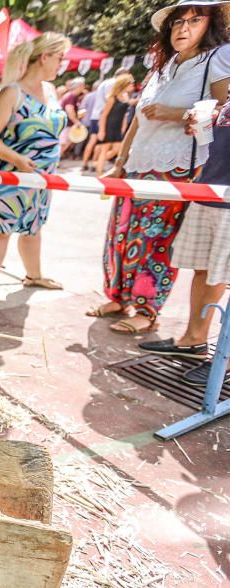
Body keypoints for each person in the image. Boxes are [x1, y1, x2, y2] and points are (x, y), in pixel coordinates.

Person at [88, 1, 229, 334]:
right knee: (122, 235)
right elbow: (138, 120)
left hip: (177, 167)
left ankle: (146, 309)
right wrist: (120, 163)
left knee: (156, 240)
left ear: (210, 25)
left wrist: (173, 113)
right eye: (177, 23)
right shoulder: (162, 67)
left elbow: (222, 112)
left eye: (194, 21)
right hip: (139, 162)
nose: (183, 28)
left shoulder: (217, 59)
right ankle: (119, 296)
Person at [140, 42, 230, 385]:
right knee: (203, 270)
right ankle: (193, 340)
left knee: (221, 273)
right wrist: (201, 124)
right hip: (210, 185)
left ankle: (225, 358)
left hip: (226, 196)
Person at [0, 33, 70, 301]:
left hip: (41, 178)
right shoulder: (11, 93)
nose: (63, 64)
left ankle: (34, 276)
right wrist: (17, 160)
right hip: (9, 176)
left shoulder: (50, 92)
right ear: (45, 57)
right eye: (60, 58)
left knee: (33, 229)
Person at [82, 67, 133, 171]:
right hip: (106, 118)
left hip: (97, 116)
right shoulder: (114, 85)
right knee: (102, 145)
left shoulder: (104, 82)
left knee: (95, 143)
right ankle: (95, 165)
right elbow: (112, 103)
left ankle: (88, 164)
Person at [94, 73, 135, 176]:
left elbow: (125, 115)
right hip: (109, 126)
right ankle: (99, 172)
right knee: (105, 149)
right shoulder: (112, 97)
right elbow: (104, 115)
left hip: (119, 127)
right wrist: (101, 130)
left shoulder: (125, 96)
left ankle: (98, 162)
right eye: (130, 83)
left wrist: (123, 128)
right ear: (124, 84)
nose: (132, 85)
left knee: (117, 149)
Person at [58, 77, 87, 158]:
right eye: (83, 85)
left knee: (65, 144)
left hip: (67, 124)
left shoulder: (71, 96)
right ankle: (54, 163)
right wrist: (76, 122)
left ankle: (56, 162)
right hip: (67, 124)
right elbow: (69, 110)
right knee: (63, 144)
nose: (84, 87)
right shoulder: (71, 96)